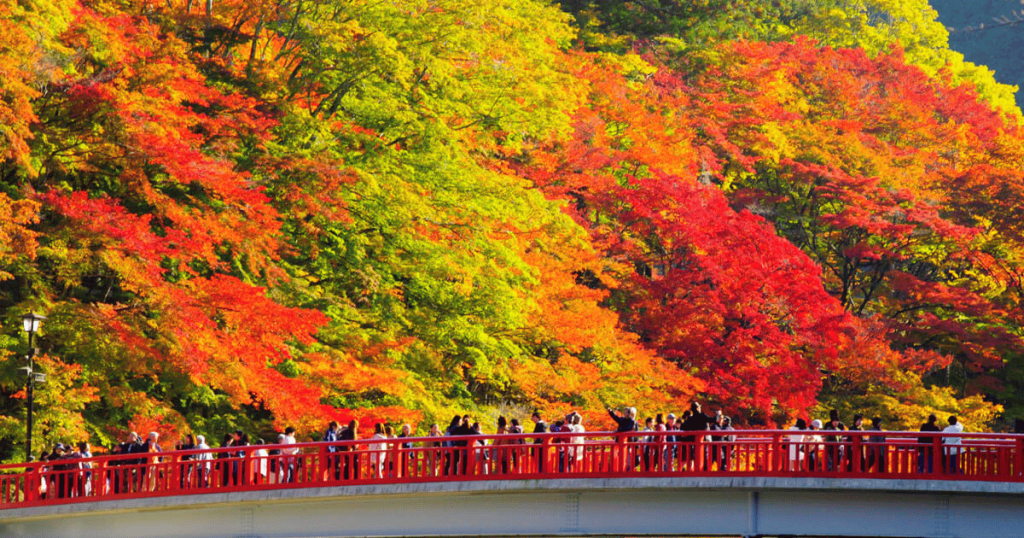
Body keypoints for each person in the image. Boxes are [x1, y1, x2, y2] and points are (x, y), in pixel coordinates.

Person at [679, 403, 714, 471]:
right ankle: (701, 470)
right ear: (698, 408)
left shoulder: (689, 421)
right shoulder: (701, 418)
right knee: (698, 457)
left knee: (691, 458)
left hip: (691, 442)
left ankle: (690, 471)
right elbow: (711, 420)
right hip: (697, 442)